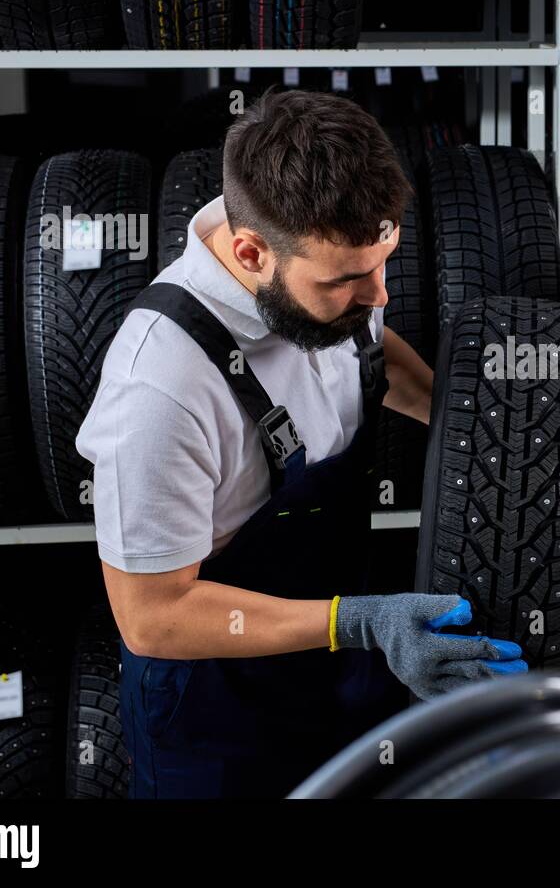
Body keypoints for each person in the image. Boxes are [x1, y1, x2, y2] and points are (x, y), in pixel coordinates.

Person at [76, 89, 526, 799]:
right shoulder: (159, 387)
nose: (379, 296)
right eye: (349, 279)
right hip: (218, 724)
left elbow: (384, 363)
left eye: (385, 263)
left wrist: (526, 434)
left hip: (335, 675)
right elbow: (152, 616)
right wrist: (360, 621)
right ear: (252, 252)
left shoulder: (329, 281)